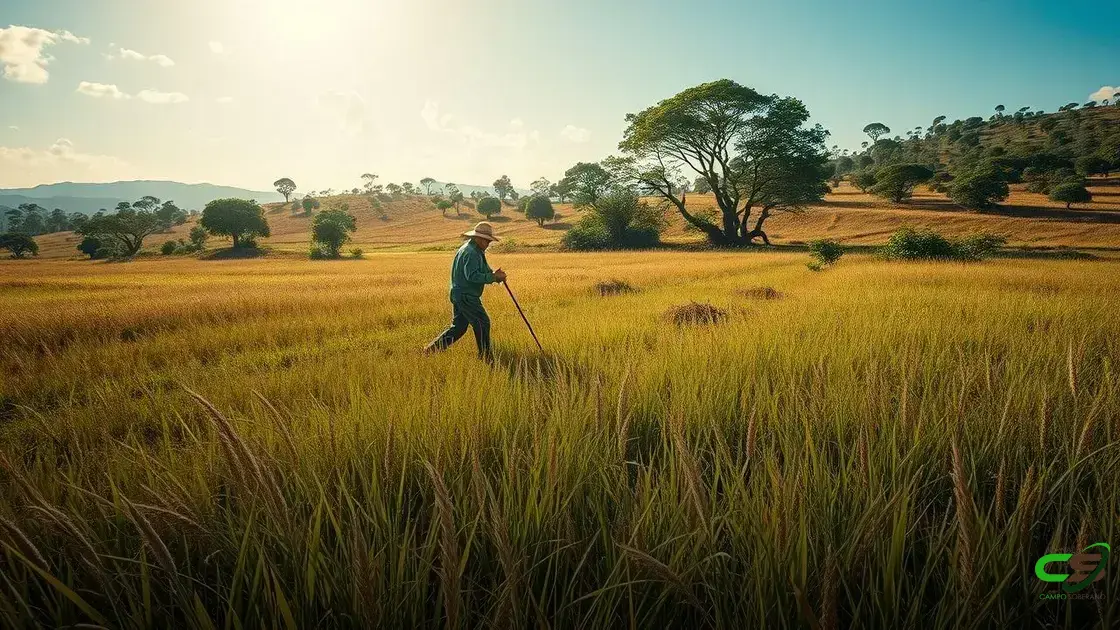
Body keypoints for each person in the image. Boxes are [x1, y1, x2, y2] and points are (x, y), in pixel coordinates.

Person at [424, 221, 506, 361]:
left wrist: (494, 274)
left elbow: (483, 270)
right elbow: (472, 276)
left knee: (459, 327)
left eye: (489, 241)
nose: (488, 244)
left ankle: (432, 350)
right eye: (486, 241)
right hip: (466, 296)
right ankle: (485, 356)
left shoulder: (472, 250)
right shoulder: (471, 253)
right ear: (478, 238)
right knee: (482, 322)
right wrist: (493, 277)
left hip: (459, 294)